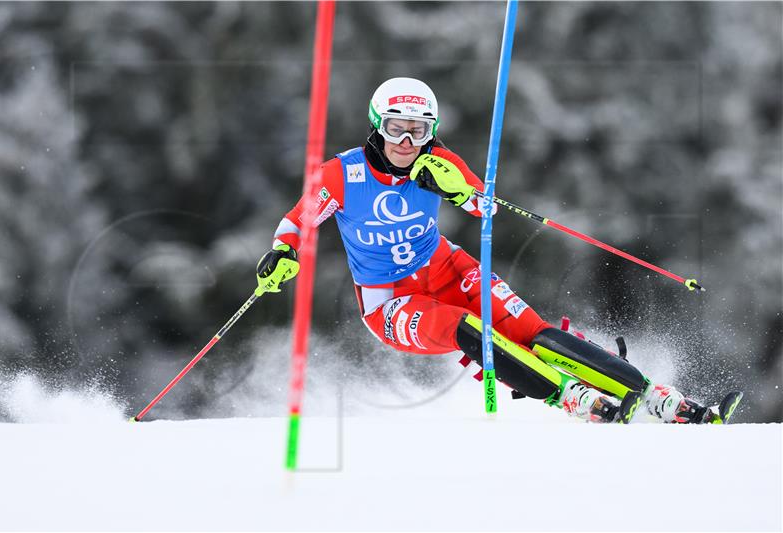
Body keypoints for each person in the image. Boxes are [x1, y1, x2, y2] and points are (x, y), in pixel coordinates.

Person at [256, 77, 716, 424]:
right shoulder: (342, 174)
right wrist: (282, 252)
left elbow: (485, 208)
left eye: (419, 130)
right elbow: (298, 221)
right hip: (391, 301)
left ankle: (662, 399)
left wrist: (459, 191)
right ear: (378, 125)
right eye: (397, 129)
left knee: (533, 332)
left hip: (449, 268)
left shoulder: (438, 161)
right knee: (468, 329)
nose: (407, 143)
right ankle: (572, 396)